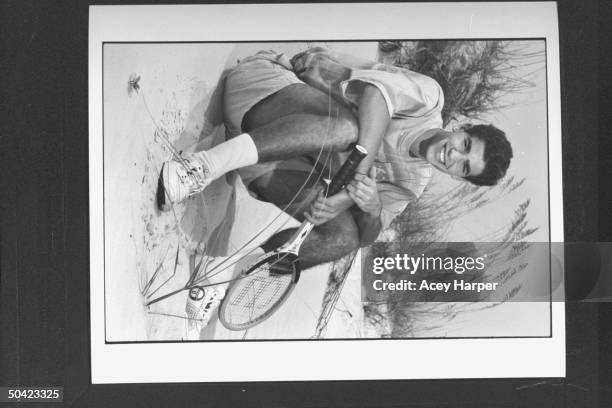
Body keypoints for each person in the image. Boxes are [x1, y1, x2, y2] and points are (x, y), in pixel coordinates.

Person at [156, 47, 513, 269]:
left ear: (459, 178)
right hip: (263, 87)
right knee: (349, 129)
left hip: (261, 153)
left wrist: (370, 206)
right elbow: (376, 96)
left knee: (345, 239)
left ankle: (220, 275)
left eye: (463, 167)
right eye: (465, 144)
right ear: (462, 128)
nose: (453, 156)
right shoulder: (428, 101)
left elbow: (370, 234)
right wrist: (354, 177)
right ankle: (199, 167)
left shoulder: (413, 183)